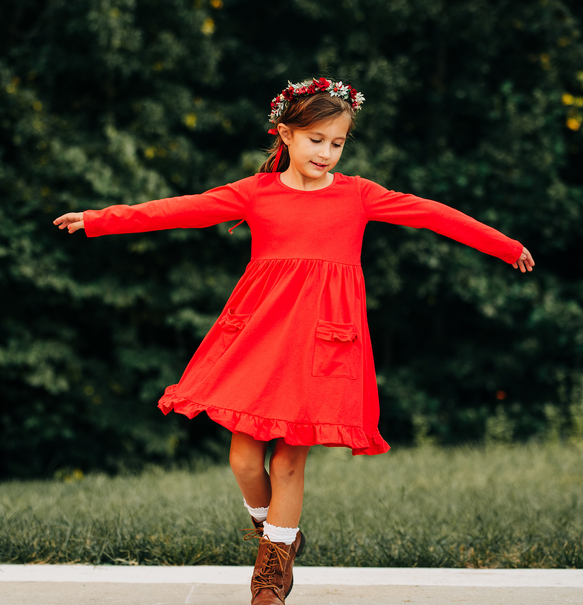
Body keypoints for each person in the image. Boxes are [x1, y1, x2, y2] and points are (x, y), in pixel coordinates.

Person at [53, 78, 535, 604]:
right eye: (316, 140)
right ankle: (276, 534)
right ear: (285, 134)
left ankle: (270, 575)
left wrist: (504, 245)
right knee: (243, 462)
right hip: (258, 339)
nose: (326, 152)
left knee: (287, 463)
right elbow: (181, 209)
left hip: (322, 346)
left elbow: (434, 214)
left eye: (337, 143)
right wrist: (101, 221)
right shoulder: (255, 193)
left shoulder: (358, 195)